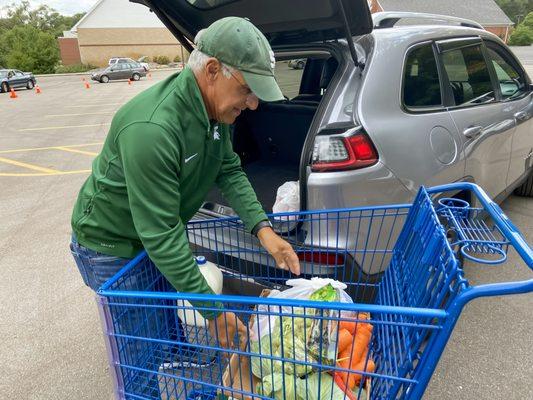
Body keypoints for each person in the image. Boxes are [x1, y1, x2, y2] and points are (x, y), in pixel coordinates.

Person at [69, 16, 301, 353]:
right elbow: (161, 233)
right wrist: (213, 313)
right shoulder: (152, 129)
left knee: (163, 307)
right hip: (111, 245)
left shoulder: (217, 113)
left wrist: (265, 231)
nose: (252, 104)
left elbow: (229, 170)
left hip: (151, 234)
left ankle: (176, 355)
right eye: (247, 89)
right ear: (211, 71)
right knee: (139, 343)